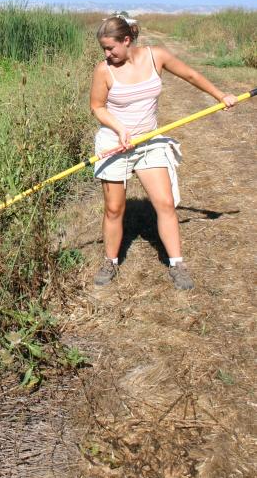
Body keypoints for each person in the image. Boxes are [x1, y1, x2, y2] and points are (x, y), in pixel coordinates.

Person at [89, 15, 237, 290]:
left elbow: (191, 75)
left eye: (111, 48)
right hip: (114, 143)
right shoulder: (104, 70)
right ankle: (110, 261)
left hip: (149, 142)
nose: (107, 54)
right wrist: (120, 129)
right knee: (113, 208)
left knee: (165, 203)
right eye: (103, 50)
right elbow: (97, 107)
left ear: (127, 39)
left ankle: (176, 263)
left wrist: (220, 95)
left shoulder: (156, 57)